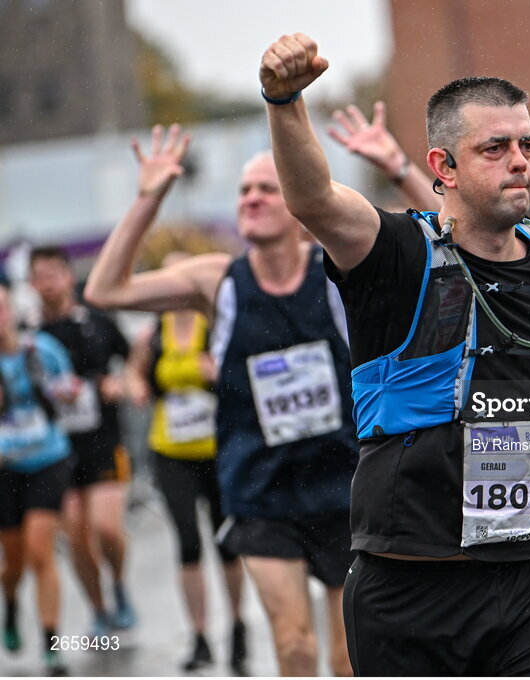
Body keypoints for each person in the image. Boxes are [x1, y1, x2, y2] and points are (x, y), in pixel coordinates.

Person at [258, 33, 530, 676]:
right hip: (410, 590)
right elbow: (313, 200)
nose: (518, 161)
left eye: (526, 145)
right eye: (494, 148)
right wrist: (285, 101)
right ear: (442, 166)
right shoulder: (398, 255)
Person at [84, 124, 359, 676]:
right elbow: (104, 290)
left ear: (298, 201)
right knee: (295, 645)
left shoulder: (336, 273)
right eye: (243, 190)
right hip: (262, 487)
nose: (251, 198)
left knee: (349, 658)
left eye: (265, 188)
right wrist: (148, 198)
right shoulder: (219, 281)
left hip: (343, 485)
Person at [123, 252, 247, 673]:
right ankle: (199, 637)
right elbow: (133, 371)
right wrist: (137, 385)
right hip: (170, 449)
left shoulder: (214, 322)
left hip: (218, 447)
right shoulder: (153, 332)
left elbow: (247, 367)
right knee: (188, 544)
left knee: (227, 543)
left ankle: (237, 630)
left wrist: (218, 371)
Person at [28, 247, 135, 637]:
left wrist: (121, 383)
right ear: (31, 283)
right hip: (56, 451)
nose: (48, 282)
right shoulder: (31, 337)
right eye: (40, 275)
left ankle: (120, 586)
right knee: (76, 536)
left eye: (54, 273)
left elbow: (133, 359)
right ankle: (98, 609)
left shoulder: (98, 320)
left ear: (69, 276)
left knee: (105, 528)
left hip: (105, 441)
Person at [0, 281, 78, 675]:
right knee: (13, 562)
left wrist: (68, 392)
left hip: (48, 458)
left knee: (39, 550)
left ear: (11, 310)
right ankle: (11, 604)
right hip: (4, 469)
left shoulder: (40, 349)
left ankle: (52, 643)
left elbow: (69, 389)